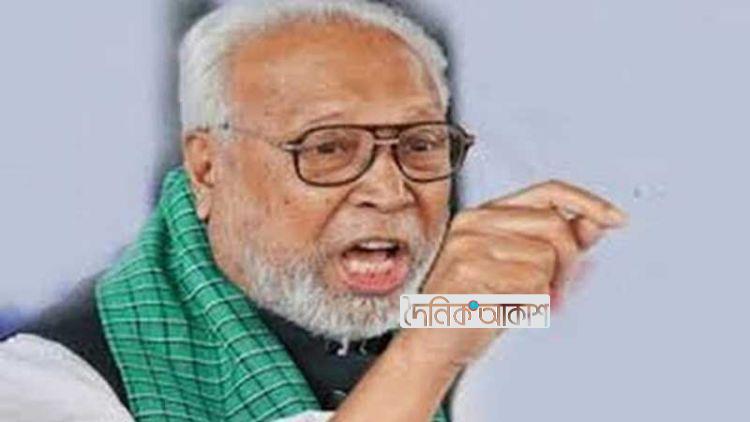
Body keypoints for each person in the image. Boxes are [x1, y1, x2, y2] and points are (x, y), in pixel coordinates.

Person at [0, 1, 627, 421]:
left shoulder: (495, 324)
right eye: (328, 148)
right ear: (207, 168)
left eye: (420, 144)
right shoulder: (48, 381)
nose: (390, 190)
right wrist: (429, 353)